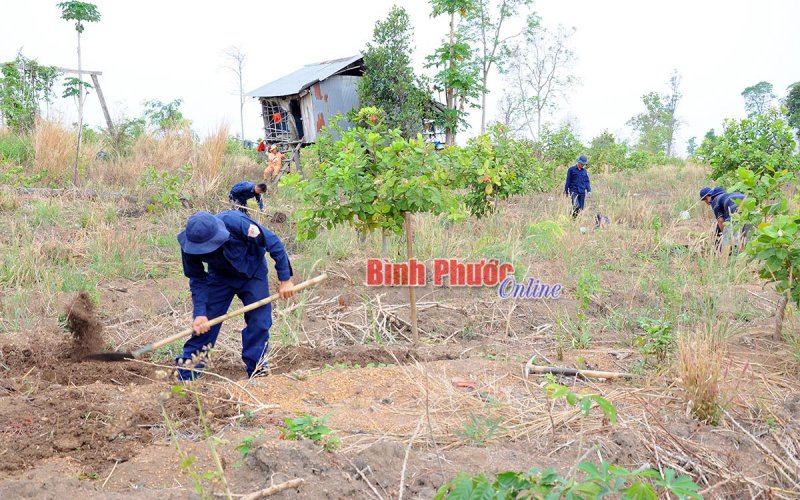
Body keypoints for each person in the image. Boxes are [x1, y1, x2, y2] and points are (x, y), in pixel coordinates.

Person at [176, 210, 295, 381]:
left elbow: (273, 243)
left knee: (259, 323)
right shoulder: (190, 245)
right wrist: (200, 313)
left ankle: (257, 372)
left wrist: (285, 279)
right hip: (220, 278)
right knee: (205, 325)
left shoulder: (237, 223)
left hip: (253, 273)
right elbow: (197, 279)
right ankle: (187, 376)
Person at [564, 155, 592, 219]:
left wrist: (589, 191)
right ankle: (572, 217)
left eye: (583, 164)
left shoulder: (584, 171)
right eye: (581, 163)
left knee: (581, 208)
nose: (582, 165)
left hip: (582, 192)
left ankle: (574, 220)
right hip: (574, 191)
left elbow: (587, 181)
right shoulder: (571, 170)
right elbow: (568, 181)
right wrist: (566, 191)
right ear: (578, 162)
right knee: (576, 205)